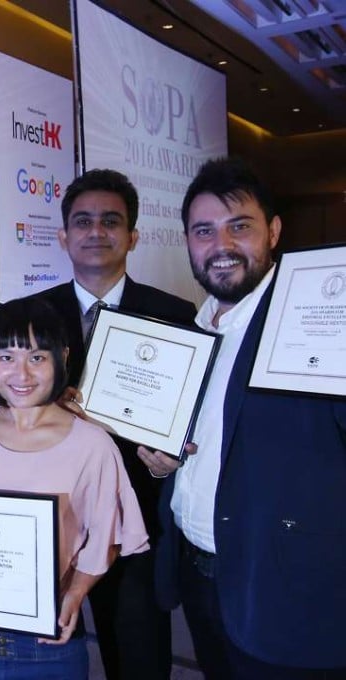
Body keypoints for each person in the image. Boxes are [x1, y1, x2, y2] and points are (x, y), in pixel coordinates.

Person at [138, 158, 346, 678]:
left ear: (273, 231)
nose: (221, 245)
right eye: (204, 231)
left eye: (240, 226)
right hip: (199, 577)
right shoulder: (192, 329)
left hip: (288, 595)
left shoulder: (315, 321)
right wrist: (166, 463)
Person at [0, 297, 149, 679]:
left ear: (63, 357)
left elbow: (106, 536)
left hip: (45, 641)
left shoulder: (92, 445)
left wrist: (75, 593)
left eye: (37, 357)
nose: (20, 374)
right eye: (6, 357)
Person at [30, 168, 195, 679]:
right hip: (51, 518)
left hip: (135, 519)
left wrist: (171, 462)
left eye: (110, 221)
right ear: (63, 236)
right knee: (50, 649)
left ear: (133, 236)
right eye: (83, 221)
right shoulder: (30, 314)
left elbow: (188, 419)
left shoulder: (174, 315)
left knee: (139, 657)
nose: (96, 231)